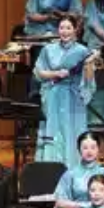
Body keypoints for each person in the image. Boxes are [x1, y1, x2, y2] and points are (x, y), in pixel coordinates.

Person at [36, 16, 96, 165]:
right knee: (54, 131)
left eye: (68, 28)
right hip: (53, 95)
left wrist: (89, 65)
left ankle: (74, 167)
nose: (65, 31)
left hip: (74, 96)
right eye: (62, 28)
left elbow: (89, 79)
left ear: (75, 30)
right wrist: (56, 73)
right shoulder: (48, 49)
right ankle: (51, 168)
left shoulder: (82, 51)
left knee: (73, 131)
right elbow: (39, 72)